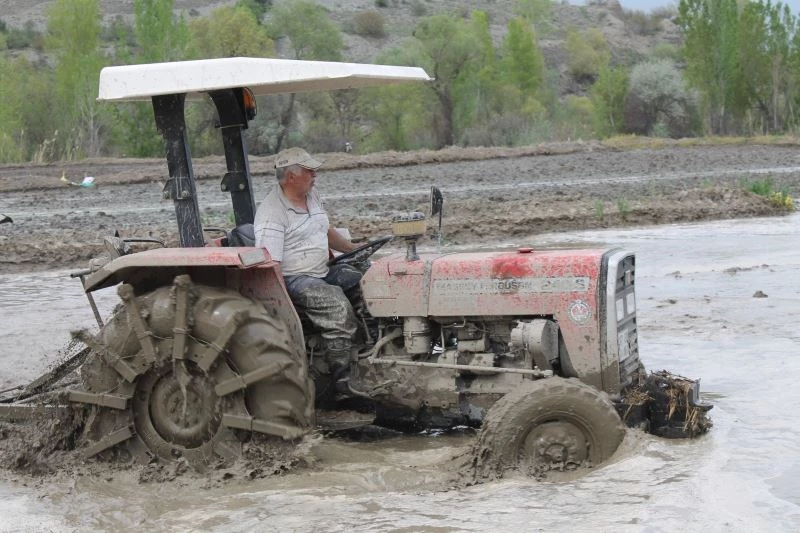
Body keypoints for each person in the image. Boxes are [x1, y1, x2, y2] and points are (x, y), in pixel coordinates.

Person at [254, 147, 362, 378]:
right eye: (309, 171)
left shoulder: (312, 196)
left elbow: (324, 230)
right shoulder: (271, 213)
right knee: (337, 306)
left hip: (321, 270)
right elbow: (269, 264)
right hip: (295, 278)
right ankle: (343, 379)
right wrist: (284, 305)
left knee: (369, 281)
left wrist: (354, 249)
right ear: (291, 176)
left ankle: (373, 348)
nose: (315, 175)